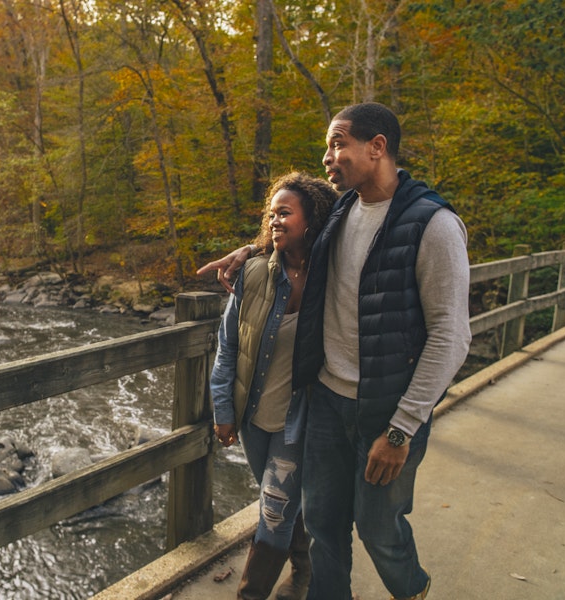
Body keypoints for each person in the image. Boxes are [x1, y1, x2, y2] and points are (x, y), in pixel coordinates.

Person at [199, 102, 472, 600]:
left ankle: (412, 589)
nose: (328, 156)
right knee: (324, 527)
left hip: (386, 412)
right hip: (325, 400)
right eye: (328, 145)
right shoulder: (341, 213)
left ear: (377, 147)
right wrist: (251, 251)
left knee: (377, 529)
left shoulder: (433, 225)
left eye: (338, 143)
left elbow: (452, 338)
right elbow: (289, 227)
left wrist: (401, 428)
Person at [211, 171, 337, 600]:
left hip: (299, 422)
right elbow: (228, 347)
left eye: (285, 213)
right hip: (252, 418)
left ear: (312, 219)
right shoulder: (253, 274)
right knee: (280, 503)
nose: (275, 221)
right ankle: (303, 571)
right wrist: (223, 410)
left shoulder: (333, 277)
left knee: (274, 510)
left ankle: (250, 595)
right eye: (271, 214)